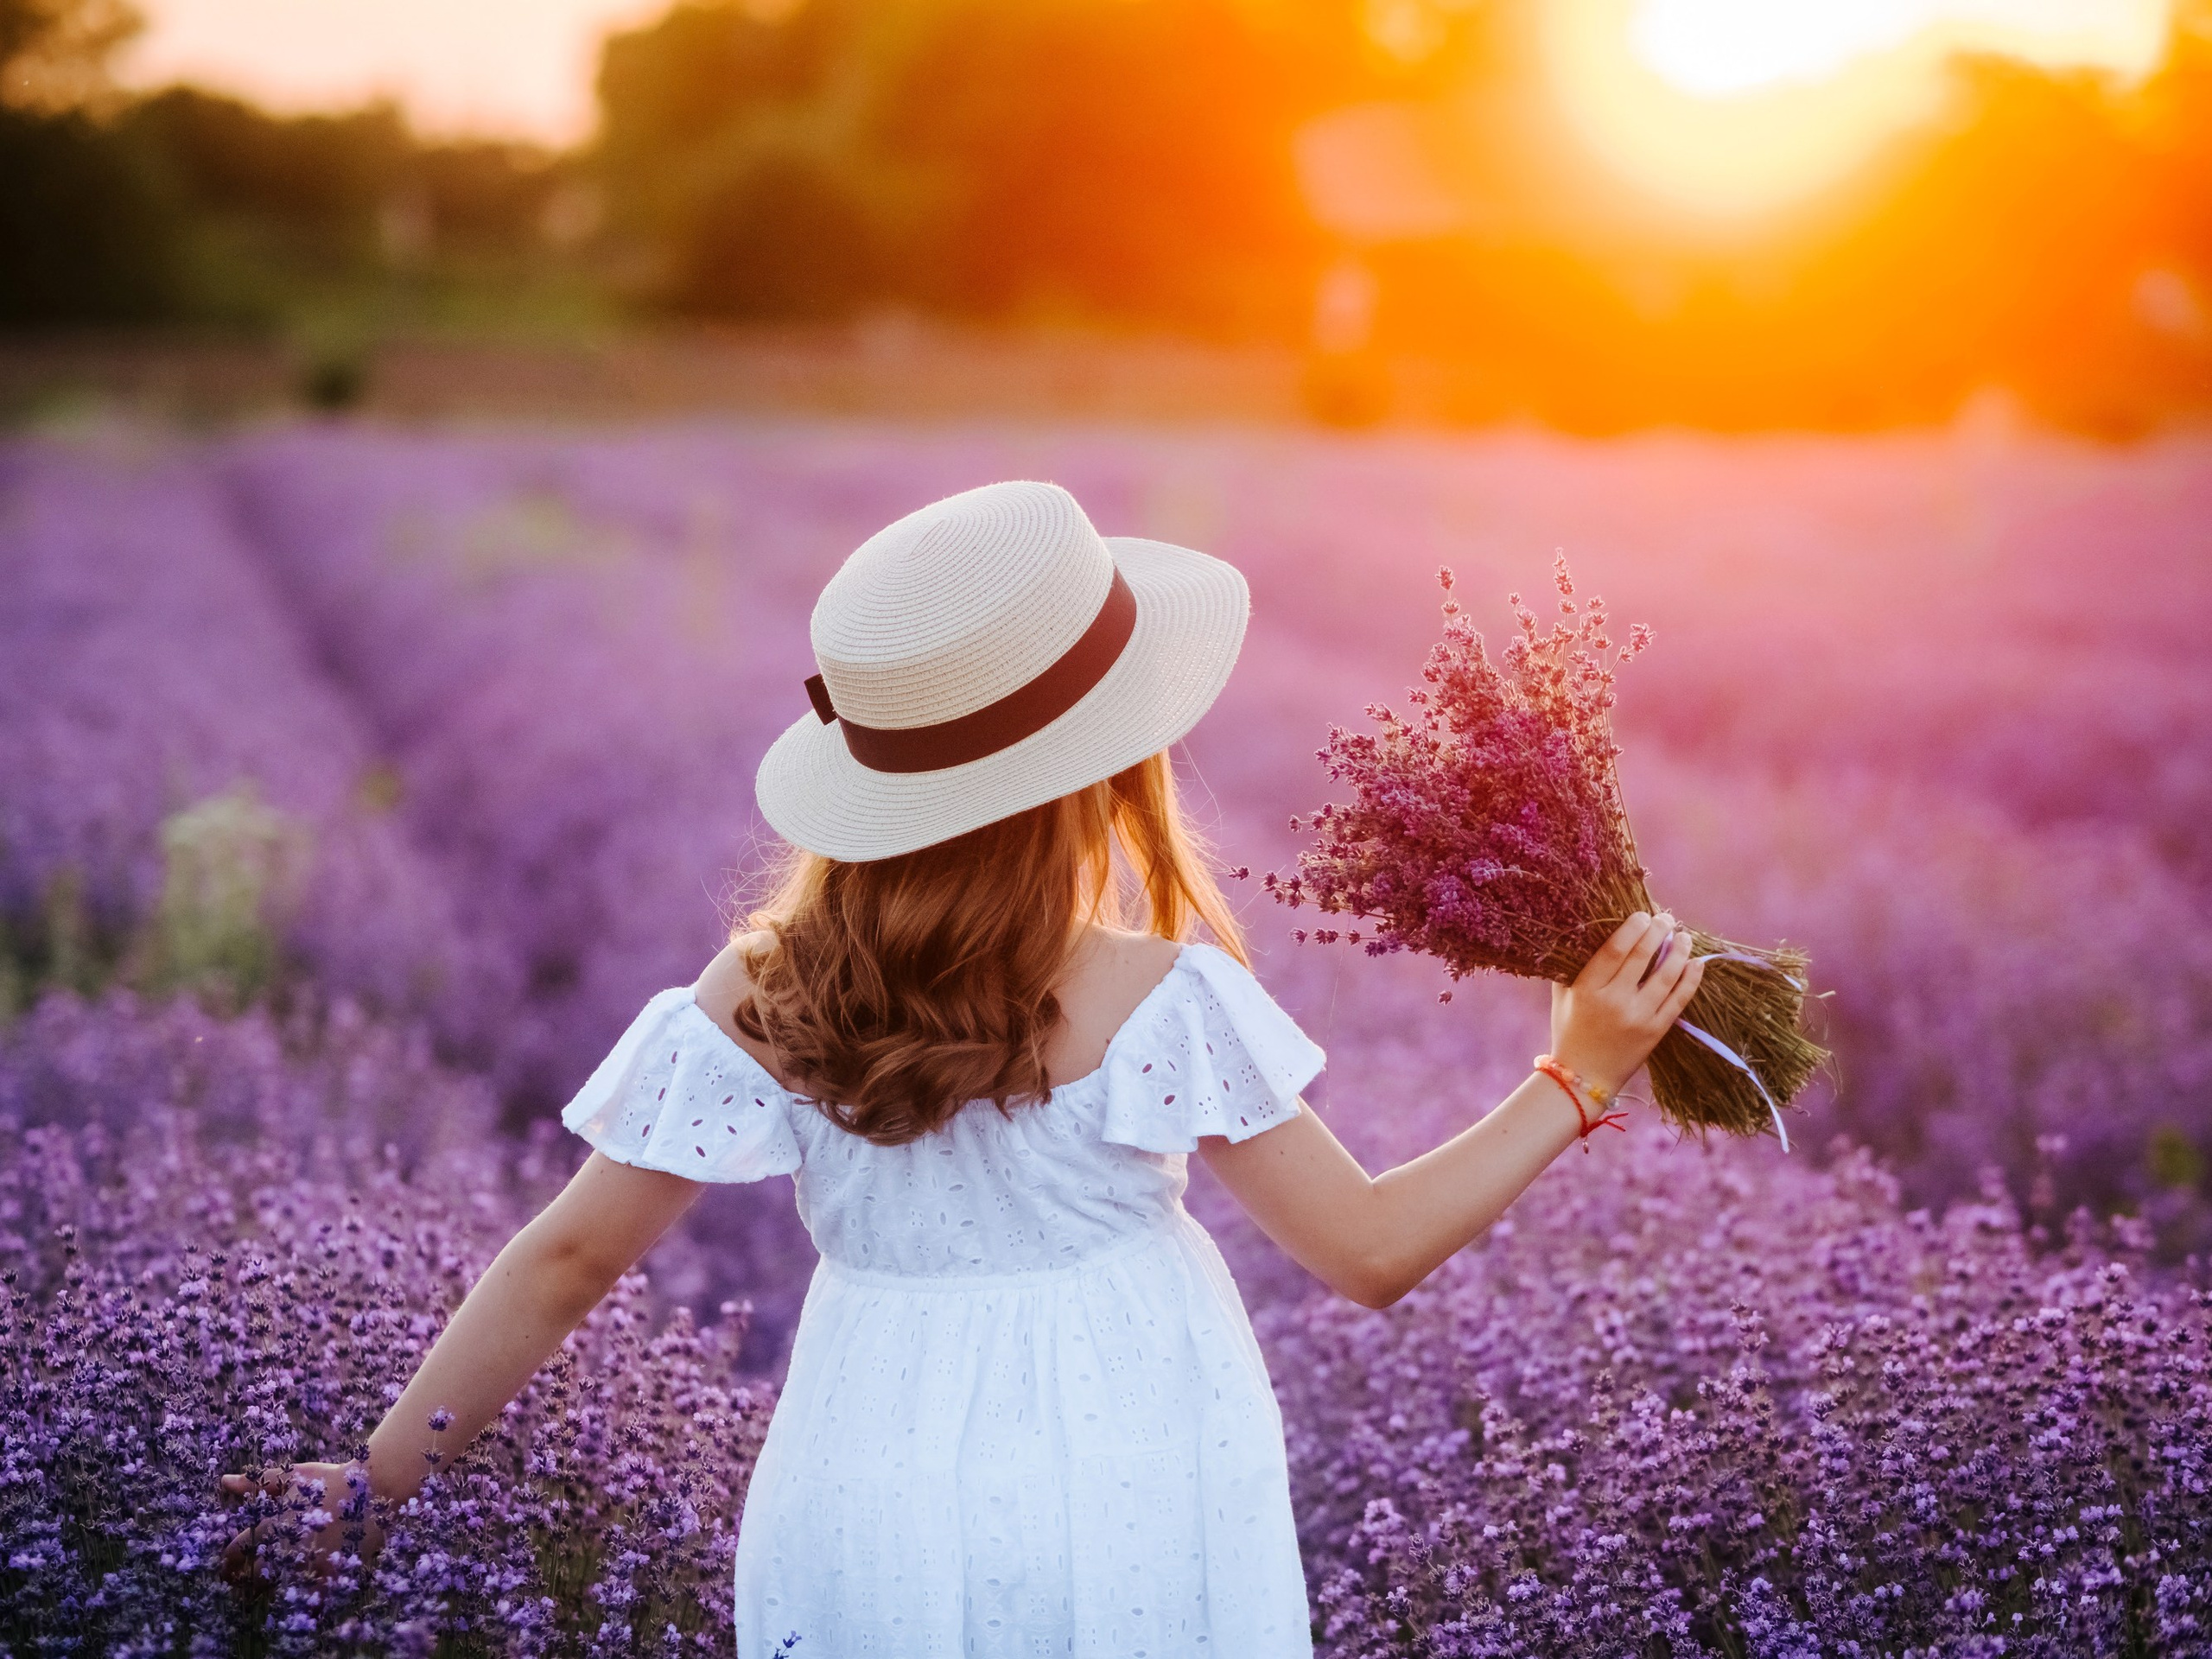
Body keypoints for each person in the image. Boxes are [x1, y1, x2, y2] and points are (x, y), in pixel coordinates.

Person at [222, 480, 1705, 1656]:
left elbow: (565, 1258)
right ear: (1110, 762)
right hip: (1139, 1473)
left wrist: (382, 1471)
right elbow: (1371, 1251)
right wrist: (1573, 1077)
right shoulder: (1157, 997)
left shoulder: (765, 985)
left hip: (868, 1471)